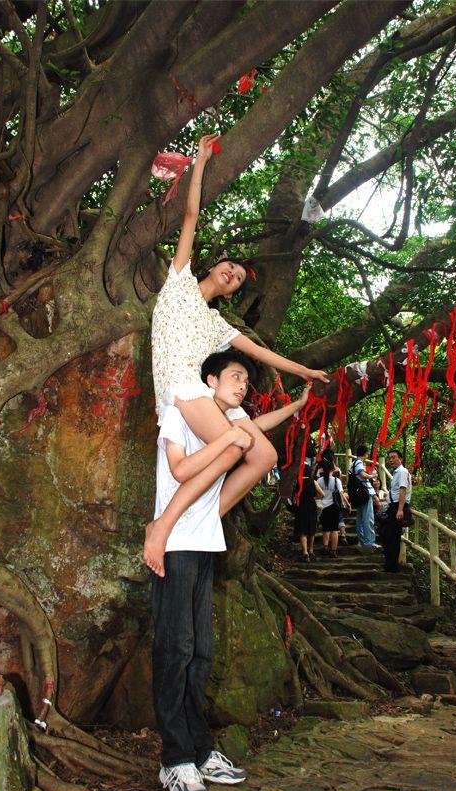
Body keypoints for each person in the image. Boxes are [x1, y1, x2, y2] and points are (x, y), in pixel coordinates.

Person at [145, 134, 328, 577]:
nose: (233, 275)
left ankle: (200, 516)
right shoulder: (179, 281)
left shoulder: (218, 326)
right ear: (214, 265)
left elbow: (264, 355)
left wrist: (305, 371)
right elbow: (191, 215)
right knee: (239, 442)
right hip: (180, 389)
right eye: (231, 268)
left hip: (197, 395)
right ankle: (164, 524)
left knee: (261, 455)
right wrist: (201, 161)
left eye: (239, 280)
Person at [153, 350, 311, 791]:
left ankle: (200, 751)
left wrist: (295, 408)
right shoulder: (180, 409)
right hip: (175, 541)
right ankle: (175, 759)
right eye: (235, 377)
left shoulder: (229, 420)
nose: (243, 386)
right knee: (174, 650)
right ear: (209, 379)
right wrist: (231, 442)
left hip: (204, 542)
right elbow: (182, 467)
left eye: (247, 381)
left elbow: (255, 429)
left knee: (201, 653)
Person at [382, 449, 413, 573]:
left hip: (397, 507)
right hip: (393, 506)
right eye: (389, 458)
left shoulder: (401, 472)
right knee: (388, 535)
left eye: (394, 457)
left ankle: (392, 566)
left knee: (392, 536)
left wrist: (400, 509)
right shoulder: (397, 472)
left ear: (401, 459)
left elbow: (402, 490)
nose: (391, 460)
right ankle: (390, 565)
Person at [293, 454, 324, 562]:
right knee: (311, 528)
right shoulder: (313, 482)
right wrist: (314, 497)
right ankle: (311, 551)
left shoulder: (297, 482)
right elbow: (322, 494)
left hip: (300, 505)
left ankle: (305, 553)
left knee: (302, 530)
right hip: (311, 505)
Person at [317, 455, 348, 558]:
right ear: (333, 469)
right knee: (334, 529)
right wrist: (347, 504)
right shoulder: (336, 481)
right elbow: (341, 494)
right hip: (334, 507)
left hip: (323, 507)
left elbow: (317, 494)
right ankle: (333, 551)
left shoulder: (319, 480)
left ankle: (325, 547)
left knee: (325, 529)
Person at [352, 445, 380, 549]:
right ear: (365, 454)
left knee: (360, 518)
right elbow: (362, 475)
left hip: (357, 494)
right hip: (364, 494)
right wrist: (372, 476)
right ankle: (369, 542)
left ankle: (362, 540)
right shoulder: (359, 462)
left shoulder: (353, 463)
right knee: (368, 518)